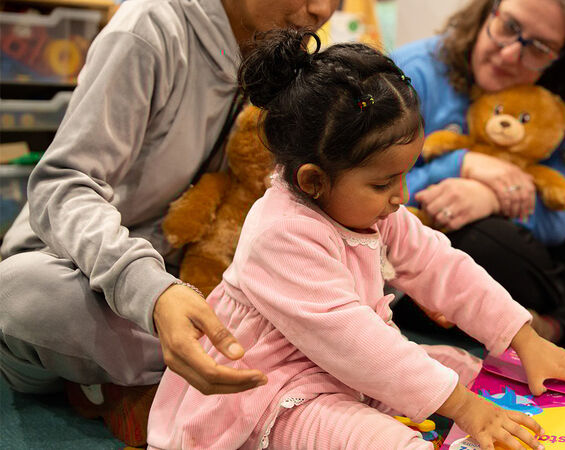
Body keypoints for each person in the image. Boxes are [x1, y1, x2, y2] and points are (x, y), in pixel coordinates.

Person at [147, 28, 565, 450]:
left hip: (345, 374)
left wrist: (523, 337)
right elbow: (358, 344)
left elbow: (440, 264)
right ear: (313, 181)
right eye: (384, 184)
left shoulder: (369, 208)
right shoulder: (281, 233)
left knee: (472, 369)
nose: (401, 196)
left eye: (404, 176)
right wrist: (466, 407)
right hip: (273, 392)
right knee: (387, 439)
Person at [0, 0, 338, 445]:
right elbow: (62, 185)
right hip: (81, 268)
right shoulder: (150, 27)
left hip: (192, 274)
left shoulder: (280, 47)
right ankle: (257, 372)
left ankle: (132, 382)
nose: (322, 9)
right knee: (23, 296)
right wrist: (153, 292)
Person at [390, 0, 565, 355]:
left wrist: (493, 198)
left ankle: (545, 326)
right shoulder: (411, 72)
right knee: (481, 238)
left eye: (539, 49)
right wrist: (460, 164)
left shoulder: (560, 99)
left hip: (524, 243)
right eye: (509, 26)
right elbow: (362, 188)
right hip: (444, 245)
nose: (510, 55)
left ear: (563, 57)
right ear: (487, 12)